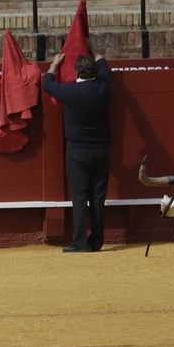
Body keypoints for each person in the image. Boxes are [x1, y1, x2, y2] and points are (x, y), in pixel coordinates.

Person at [43, 52, 112, 253]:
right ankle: (96, 241)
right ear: (94, 73)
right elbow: (103, 64)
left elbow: (47, 83)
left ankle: (80, 242)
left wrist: (55, 64)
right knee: (98, 197)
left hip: (78, 151)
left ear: (76, 72)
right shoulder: (103, 87)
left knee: (80, 197)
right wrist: (94, 50)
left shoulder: (70, 91)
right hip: (101, 150)